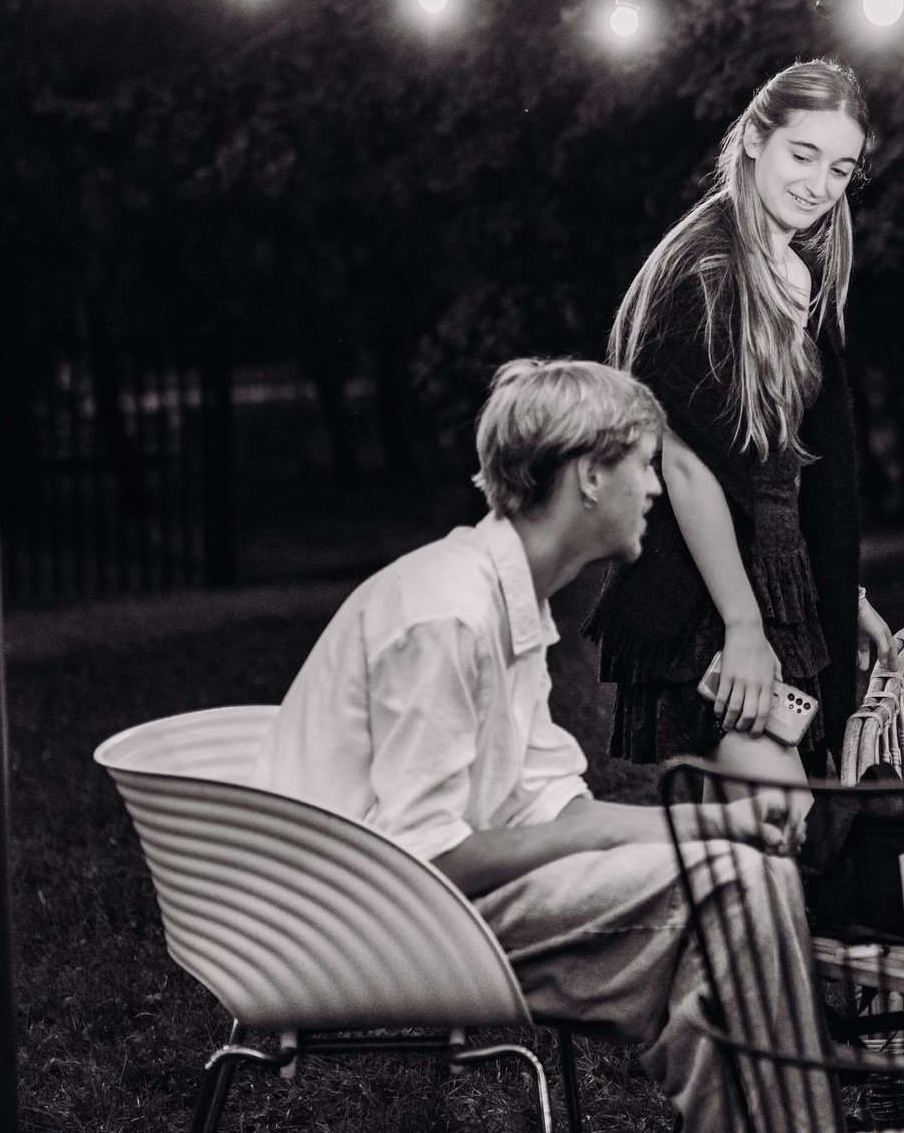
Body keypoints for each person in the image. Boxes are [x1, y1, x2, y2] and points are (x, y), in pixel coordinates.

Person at [255, 359, 831, 1131]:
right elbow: (427, 854)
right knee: (733, 896)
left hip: (425, 898)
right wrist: (685, 841)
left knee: (736, 886)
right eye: (643, 465)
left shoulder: (504, 596)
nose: (656, 488)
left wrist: (715, 826)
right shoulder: (448, 612)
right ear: (590, 475)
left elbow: (558, 808)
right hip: (364, 921)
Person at [586, 59, 893, 779]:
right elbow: (690, 463)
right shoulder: (706, 271)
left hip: (781, 581)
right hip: (708, 593)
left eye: (841, 169)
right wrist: (743, 625)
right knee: (775, 828)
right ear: (756, 138)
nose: (818, 186)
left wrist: (836, 588)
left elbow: (788, 465)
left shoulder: (793, 271)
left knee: (775, 855)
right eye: (803, 154)